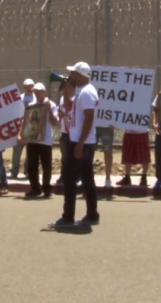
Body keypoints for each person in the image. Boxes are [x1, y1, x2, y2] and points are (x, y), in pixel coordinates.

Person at [50, 62, 99, 228]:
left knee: (70, 180)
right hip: (80, 141)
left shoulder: (86, 93)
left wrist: (80, 143)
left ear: (80, 75)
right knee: (86, 179)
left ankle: (68, 216)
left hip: (81, 143)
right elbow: (70, 108)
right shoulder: (81, 92)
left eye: (73, 74)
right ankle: (92, 214)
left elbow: (89, 118)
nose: (70, 76)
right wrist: (66, 93)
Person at [19, 83, 58, 198]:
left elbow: (54, 122)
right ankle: (35, 188)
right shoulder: (31, 105)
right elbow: (25, 121)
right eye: (35, 91)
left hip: (45, 140)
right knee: (32, 165)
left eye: (39, 91)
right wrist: (21, 135)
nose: (36, 93)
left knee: (46, 166)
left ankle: (46, 188)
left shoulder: (51, 104)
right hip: (32, 139)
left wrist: (48, 109)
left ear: (44, 92)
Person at [11, 78, 37, 179]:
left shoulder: (36, 98)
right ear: (24, 87)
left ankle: (27, 171)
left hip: (31, 129)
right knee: (16, 152)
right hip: (19, 128)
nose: (30, 88)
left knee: (30, 153)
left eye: (31, 85)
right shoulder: (19, 98)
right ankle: (14, 171)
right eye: (28, 86)